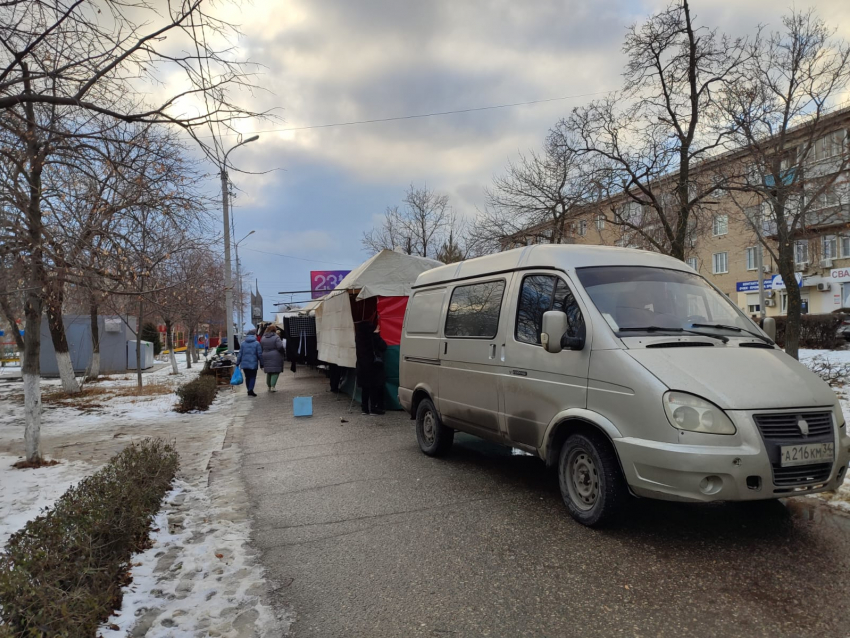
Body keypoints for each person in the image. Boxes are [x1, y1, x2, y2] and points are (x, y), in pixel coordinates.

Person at [354, 320, 387, 415]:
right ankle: (373, 408)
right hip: (373, 366)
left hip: (361, 366)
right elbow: (383, 347)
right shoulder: (372, 337)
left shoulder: (358, 337)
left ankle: (364, 408)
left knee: (365, 388)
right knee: (374, 387)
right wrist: (376, 334)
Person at [236, 329, 263, 397]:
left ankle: (249, 389)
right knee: (252, 377)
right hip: (253, 364)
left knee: (247, 377)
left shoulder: (243, 343)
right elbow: (259, 354)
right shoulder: (257, 343)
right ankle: (250, 389)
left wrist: (237, 363)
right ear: (254, 336)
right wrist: (262, 363)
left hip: (244, 364)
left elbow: (240, 354)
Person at [261, 324, 286, 392]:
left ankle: (269, 386)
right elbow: (280, 347)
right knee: (275, 371)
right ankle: (273, 386)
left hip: (265, 355)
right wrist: (283, 352)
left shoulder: (263, 337)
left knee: (269, 371)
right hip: (275, 356)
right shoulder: (276, 337)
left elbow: (261, 346)